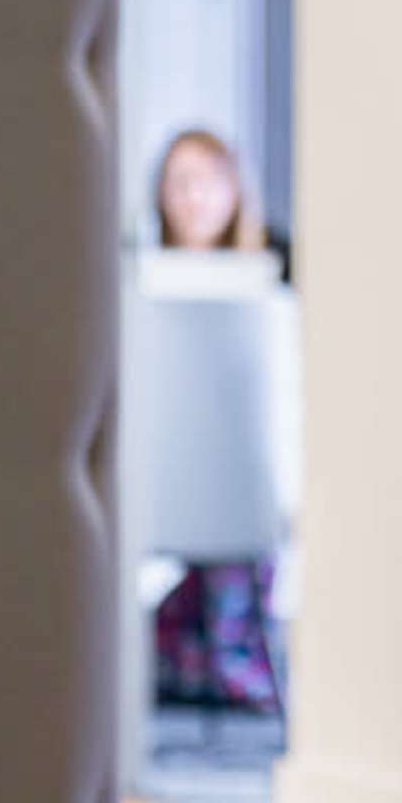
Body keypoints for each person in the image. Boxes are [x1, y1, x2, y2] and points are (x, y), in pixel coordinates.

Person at [148, 127, 286, 713]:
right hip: (165, 480)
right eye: (179, 184)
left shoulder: (271, 292)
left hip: (247, 490)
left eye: (205, 182)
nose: (193, 198)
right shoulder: (142, 290)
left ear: (233, 191)